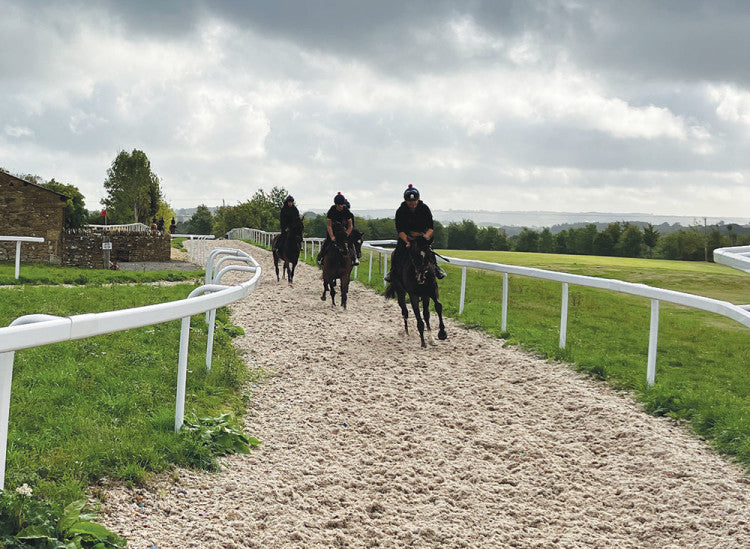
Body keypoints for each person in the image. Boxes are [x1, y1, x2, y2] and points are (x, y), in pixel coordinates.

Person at [385, 184, 446, 282]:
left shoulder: (425, 208)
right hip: (406, 237)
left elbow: (431, 228)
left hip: (422, 237)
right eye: (410, 202)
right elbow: (400, 230)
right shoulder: (401, 210)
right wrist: (407, 241)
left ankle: (436, 269)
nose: (412, 204)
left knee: (429, 251)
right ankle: (392, 272)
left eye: (414, 202)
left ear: (418, 199)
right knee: (397, 253)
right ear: (406, 200)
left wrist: (425, 237)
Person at [317, 192, 358, 266]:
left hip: (343, 231)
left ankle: (354, 258)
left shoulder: (346, 210)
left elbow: (350, 226)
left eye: (342, 204)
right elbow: (329, 226)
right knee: (327, 242)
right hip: (333, 230)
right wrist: (332, 236)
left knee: (350, 242)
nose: (341, 206)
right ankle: (321, 257)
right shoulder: (331, 210)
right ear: (336, 204)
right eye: (339, 205)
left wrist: (347, 234)